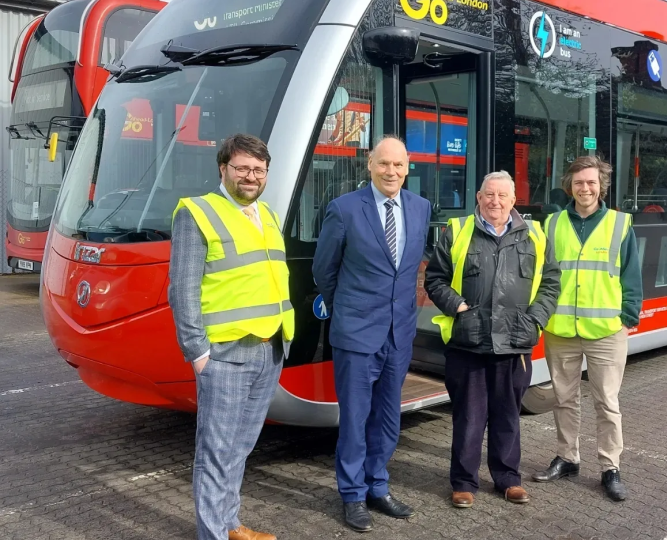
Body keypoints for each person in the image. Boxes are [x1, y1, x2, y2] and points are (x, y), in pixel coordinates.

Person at [168, 134, 293, 540]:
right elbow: (182, 289)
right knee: (216, 452)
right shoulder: (197, 212)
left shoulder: (268, 214)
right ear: (223, 169)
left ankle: (230, 524)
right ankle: (214, 534)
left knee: (239, 448)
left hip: (269, 349)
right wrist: (197, 353)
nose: (250, 176)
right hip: (224, 355)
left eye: (258, 170)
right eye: (242, 168)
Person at [312, 135, 431, 533]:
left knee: (387, 418)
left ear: (408, 166)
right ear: (370, 164)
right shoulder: (343, 209)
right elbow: (324, 272)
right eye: (384, 164)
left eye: (398, 165)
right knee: (355, 419)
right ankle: (352, 494)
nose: (391, 171)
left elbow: (409, 270)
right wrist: (349, 309)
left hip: (399, 335)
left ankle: (378, 486)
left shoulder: (420, 208)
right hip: (357, 335)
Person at [424, 170, 561, 509]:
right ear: (478, 198)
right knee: (468, 417)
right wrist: (457, 305)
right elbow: (435, 278)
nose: (494, 201)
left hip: (515, 343)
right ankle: (463, 482)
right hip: (467, 341)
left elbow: (551, 282)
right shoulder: (456, 232)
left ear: (514, 201)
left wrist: (535, 320)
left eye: (502, 196)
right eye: (489, 194)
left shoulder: (535, 236)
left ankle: (508, 479)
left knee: (507, 416)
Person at [531, 156, 643, 502]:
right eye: (579, 182)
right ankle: (567, 459)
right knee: (563, 399)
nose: (585, 188)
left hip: (606, 330)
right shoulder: (551, 224)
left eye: (591, 182)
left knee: (606, 402)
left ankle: (610, 468)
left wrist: (628, 314)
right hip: (560, 328)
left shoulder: (620, 224)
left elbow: (632, 275)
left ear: (601, 186)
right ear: (570, 186)